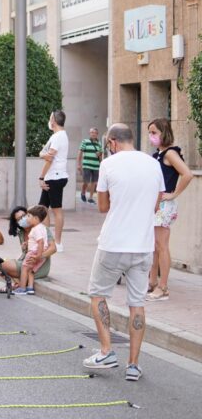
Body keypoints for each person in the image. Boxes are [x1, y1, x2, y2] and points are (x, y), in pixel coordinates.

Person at [82, 123, 164, 382]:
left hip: (113, 244)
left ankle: (106, 351)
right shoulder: (153, 164)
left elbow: (102, 207)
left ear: (113, 142)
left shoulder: (108, 164)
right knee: (137, 304)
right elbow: (157, 202)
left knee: (98, 295)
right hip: (143, 245)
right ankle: (133, 365)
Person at [146, 119, 193, 301]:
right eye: (149, 132)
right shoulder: (159, 154)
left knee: (161, 246)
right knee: (154, 246)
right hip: (157, 204)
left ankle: (163, 286)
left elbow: (187, 174)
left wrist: (174, 194)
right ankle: (153, 282)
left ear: (163, 133)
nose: (151, 136)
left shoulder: (170, 153)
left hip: (164, 205)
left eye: (154, 132)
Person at [38, 110, 69, 252]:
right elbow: (44, 154)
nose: (49, 121)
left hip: (55, 177)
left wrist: (41, 177)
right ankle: (48, 240)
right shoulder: (57, 136)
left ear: (54, 121)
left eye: (50, 118)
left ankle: (57, 243)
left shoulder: (58, 137)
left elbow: (49, 158)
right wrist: (43, 154)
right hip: (53, 176)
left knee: (56, 210)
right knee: (42, 209)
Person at [12, 205, 48, 296]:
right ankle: (30, 288)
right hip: (39, 252)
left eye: (28, 216)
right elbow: (36, 240)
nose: (26, 218)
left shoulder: (36, 229)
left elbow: (40, 242)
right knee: (30, 270)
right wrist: (27, 243)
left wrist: (38, 255)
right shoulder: (42, 227)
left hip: (34, 252)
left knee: (24, 268)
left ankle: (22, 288)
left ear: (35, 218)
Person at [77, 128, 103, 204]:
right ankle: (83, 193)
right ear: (89, 133)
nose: (93, 134)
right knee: (86, 181)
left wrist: (99, 154)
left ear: (97, 134)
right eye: (92, 132)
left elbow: (100, 156)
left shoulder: (99, 143)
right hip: (86, 165)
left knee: (94, 182)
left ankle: (90, 198)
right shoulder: (85, 141)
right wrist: (79, 164)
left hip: (96, 166)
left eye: (95, 132)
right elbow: (80, 153)